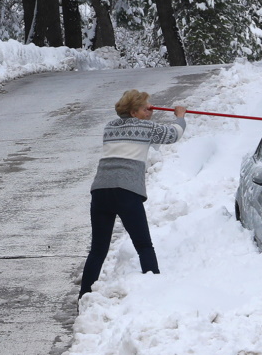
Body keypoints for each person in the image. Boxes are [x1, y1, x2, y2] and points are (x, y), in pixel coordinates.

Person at [79, 88, 185, 297]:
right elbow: (173, 134)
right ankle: (154, 291)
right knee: (144, 245)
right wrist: (180, 116)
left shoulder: (109, 127)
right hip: (126, 191)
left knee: (98, 249)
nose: (150, 112)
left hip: (101, 191)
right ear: (134, 112)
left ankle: (84, 296)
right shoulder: (146, 127)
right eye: (146, 109)